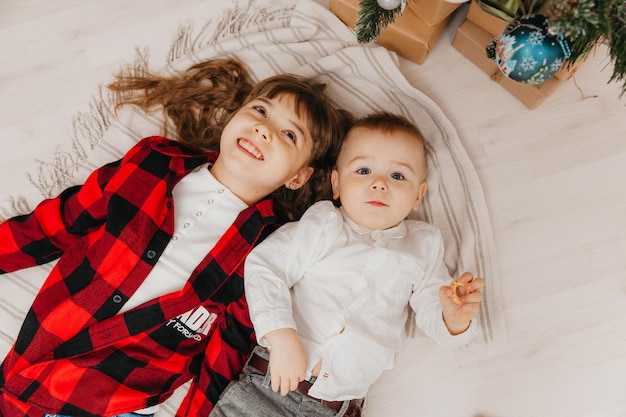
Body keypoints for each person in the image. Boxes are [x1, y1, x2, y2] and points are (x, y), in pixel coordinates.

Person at [0, 58, 351, 417]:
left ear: (298, 177)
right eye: (260, 110)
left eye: (289, 135)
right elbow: (58, 222)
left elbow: (226, 352)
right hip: (38, 362)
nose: (264, 129)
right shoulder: (152, 163)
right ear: (235, 117)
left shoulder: (271, 249)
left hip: (121, 402)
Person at [209, 112, 484, 417]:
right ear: (337, 184)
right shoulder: (324, 224)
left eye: (398, 176)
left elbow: (434, 317)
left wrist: (454, 318)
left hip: (336, 407)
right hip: (270, 386)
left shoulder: (423, 246)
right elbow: (265, 266)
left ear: (418, 195)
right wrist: (280, 332)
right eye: (364, 170)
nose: (379, 184)